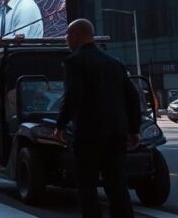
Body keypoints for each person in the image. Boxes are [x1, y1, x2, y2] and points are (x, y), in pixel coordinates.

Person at [53, 19, 141, 218]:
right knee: (117, 184)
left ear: (75, 36)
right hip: (117, 133)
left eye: (67, 35)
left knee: (87, 187)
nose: (66, 39)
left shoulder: (74, 61)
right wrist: (134, 129)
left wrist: (60, 125)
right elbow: (133, 97)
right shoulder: (115, 63)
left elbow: (73, 95)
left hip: (89, 134)